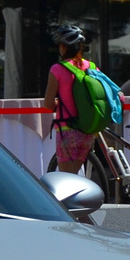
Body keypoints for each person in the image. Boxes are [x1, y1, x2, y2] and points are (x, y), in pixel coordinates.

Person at [43, 24, 97, 174]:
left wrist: (58, 103)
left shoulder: (58, 69)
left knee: (67, 180)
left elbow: (48, 104)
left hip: (67, 129)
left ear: (64, 47)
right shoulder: (91, 66)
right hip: (87, 130)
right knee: (75, 176)